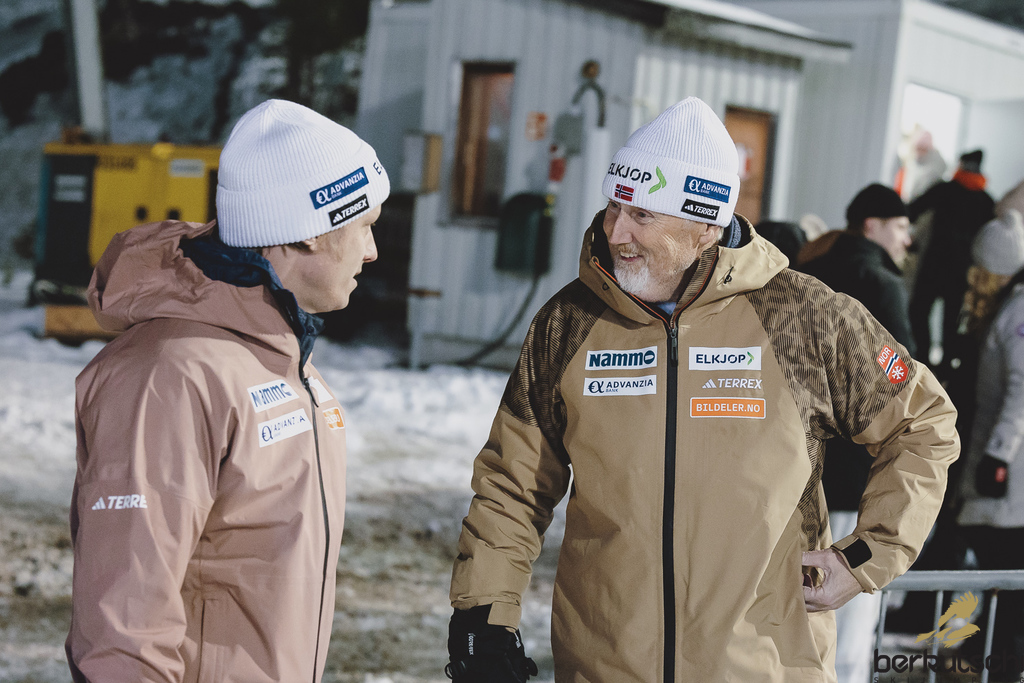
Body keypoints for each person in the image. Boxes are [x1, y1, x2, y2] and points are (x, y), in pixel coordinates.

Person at [444, 97, 959, 682]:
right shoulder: (571, 322)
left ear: (705, 226)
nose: (615, 231)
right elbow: (512, 483)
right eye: (614, 206)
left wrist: (865, 555)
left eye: (642, 215)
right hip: (603, 666)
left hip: (760, 668)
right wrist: (484, 616)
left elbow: (923, 423)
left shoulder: (802, 316)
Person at [65, 99, 389, 682]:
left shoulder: (279, 356)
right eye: (363, 225)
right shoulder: (171, 374)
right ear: (309, 232)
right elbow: (124, 628)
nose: (372, 251)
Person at [796, 183, 914, 683]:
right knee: (848, 622)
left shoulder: (802, 273)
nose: (907, 239)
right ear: (872, 225)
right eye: (901, 226)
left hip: (794, 472)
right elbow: (903, 393)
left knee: (795, 616)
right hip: (853, 477)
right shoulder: (881, 285)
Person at [954, 210, 1024, 681]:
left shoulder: (1018, 312)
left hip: (1008, 474)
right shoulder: (1010, 307)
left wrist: (997, 456)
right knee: (1005, 576)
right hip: (1000, 469)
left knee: (1007, 574)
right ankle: (990, 656)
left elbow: (1022, 388)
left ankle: (998, 664)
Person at [908, 149, 995, 376]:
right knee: (952, 322)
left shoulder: (945, 189)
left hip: (935, 264)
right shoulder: (986, 201)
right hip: (962, 270)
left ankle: (923, 359)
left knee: (918, 311)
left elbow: (912, 209)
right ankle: (945, 370)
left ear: (962, 164)